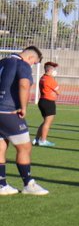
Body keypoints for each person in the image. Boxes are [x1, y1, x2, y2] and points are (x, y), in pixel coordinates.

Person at [0, 46, 49, 195]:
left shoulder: (2, 62)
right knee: (24, 147)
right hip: (9, 111)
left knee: (1, 145)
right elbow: (24, 84)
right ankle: (28, 184)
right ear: (31, 58)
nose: (33, 65)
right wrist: (23, 107)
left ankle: (2, 185)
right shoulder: (22, 64)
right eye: (34, 63)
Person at [33, 61, 59, 147]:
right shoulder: (50, 79)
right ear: (50, 70)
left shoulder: (42, 78)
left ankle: (36, 139)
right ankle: (43, 140)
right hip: (48, 102)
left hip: (42, 101)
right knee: (47, 122)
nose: (55, 71)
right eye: (54, 69)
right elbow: (58, 91)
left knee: (45, 122)